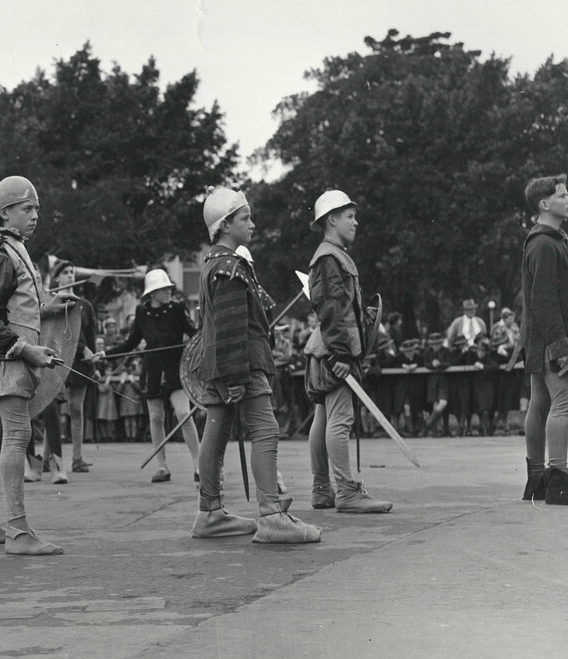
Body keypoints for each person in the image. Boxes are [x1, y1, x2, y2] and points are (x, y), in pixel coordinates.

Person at [189, 187, 321, 543]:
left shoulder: (213, 265)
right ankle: (272, 516)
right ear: (224, 224)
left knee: (215, 434)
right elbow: (233, 328)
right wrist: (235, 377)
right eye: (245, 218)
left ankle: (210, 513)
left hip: (217, 365)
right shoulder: (230, 268)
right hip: (240, 364)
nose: (253, 224)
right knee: (265, 430)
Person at [0, 175, 63, 555]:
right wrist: (27, 349)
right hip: (6, 358)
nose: (35, 215)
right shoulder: (1, 252)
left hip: (4, 357)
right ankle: (19, 533)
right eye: (27, 208)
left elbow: (12, 306)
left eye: (37, 208)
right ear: (5, 213)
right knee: (16, 437)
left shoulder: (10, 248)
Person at [508, 174, 568, 505]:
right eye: (563, 195)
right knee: (564, 402)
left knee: (541, 403)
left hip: (540, 338)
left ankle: (537, 480)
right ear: (546, 204)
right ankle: (558, 479)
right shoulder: (545, 244)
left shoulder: (548, 240)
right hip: (550, 341)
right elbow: (543, 299)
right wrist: (561, 345)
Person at [303, 190, 391, 513]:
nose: (356, 222)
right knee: (341, 420)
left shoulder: (331, 255)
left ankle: (322, 488)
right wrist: (341, 355)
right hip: (333, 352)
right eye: (350, 216)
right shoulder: (329, 258)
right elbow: (332, 309)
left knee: (324, 419)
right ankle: (346, 492)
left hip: (325, 349)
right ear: (332, 219)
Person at [105, 268, 200, 483]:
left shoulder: (177, 309)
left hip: (175, 368)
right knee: (156, 418)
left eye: (168, 288)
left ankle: (199, 466)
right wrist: (106, 355)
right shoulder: (141, 313)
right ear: (152, 293)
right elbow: (130, 343)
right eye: (162, 289)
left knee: (184, 414)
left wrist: (207, 337)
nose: (167, 291)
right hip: (152, 371)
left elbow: (194, 333)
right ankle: (162, 467)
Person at [46, 258, 97, 473]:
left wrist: (95, 363)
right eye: (65, 272)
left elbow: (90, 337)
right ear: (56, 277)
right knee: (52, 410)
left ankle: (77, 458)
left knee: (76, 409)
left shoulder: (85, 305)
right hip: (57, 360)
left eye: (72, 271)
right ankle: (49, 458)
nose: (70, 275)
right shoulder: (51, 303)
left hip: (81, 363)